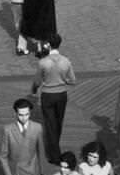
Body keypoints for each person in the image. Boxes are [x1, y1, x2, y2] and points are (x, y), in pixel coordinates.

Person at [31, 34, 77, 164]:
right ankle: (54, 147)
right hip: (62, 95)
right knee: (58, 122)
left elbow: (37, 81)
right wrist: (63, 80)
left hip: (47, 94)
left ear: (48, 45)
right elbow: (73, 80)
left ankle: (54, 155)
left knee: (50, 124)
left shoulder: (43, 62)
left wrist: (34, 89)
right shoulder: (66, 61)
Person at [0, 98, 45, 175]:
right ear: (15, 113)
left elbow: (41, 153)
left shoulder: (37, 127)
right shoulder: (7, 130)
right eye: (21, 115)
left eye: (27, 114)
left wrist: (42, 172)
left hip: (33, 171)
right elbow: (3, 156)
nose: (24, 118)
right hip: (15, 171)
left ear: (30, 113)